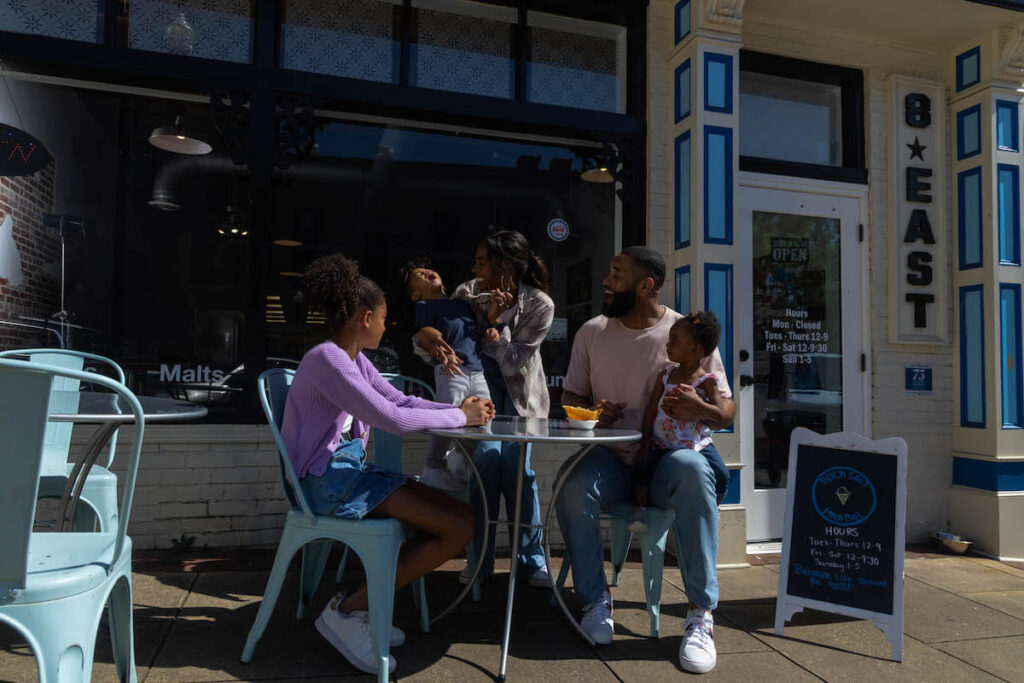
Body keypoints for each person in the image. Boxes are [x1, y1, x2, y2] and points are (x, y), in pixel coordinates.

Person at [280, 252, 494, 676]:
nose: (385, 324)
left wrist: (457, 407)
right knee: (457, 527)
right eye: (381, 318)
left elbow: (400, 401)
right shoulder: (327, 360)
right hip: (323, 484)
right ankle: (347, 610)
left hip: (346, 475)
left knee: (464, 518)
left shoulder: (353, 359)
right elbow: (393, 421)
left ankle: (363, 604)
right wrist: (460, 416)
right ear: (363, 317)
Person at [558, 246, 735, 675]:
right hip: (612, 458)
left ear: (646, 285)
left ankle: (699, 613)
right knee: (571, 485)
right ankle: (595, 600)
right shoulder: (592, 332)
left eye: (617, 274)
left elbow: (727, 411)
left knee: (694, 468)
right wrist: (596, 411)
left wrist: (700, 410)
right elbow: (570, 396)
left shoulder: (686, 334)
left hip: (668, 461)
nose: (606, 280)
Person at [416, 229, 553, 588]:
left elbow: (513, 365)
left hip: (521, 399)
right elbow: (435, 334)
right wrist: (429, 339)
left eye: (481, 261)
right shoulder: (466, 293)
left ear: (504, 266)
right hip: (479, 395)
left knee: (517, 469)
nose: (474, 267)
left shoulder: (540, 305)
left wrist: (497, 324)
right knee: (487, 464)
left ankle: (529, 560)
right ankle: (480, 559)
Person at [398, 257, 498, 490]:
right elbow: (425, 331)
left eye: (427, 269)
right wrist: (438, 344)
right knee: (447, 417)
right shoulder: (425, 307)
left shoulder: (463, 305)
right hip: (450, 370)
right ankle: (434, 464)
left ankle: (461, 458)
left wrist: (490, 331)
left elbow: (475, 331)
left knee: (486, 417)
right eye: (419, 276)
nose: (426, 272)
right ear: (416, 296)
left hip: (477, 369)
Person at [630, 311, 730, 534]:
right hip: (663, 442)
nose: (668, 345)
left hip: (697, 444)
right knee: (643, 468)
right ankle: (640, 511)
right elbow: (652, 408)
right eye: (669, 339)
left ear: (696, 350)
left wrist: (700, 407)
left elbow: (720, 414)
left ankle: (711, 508)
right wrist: (646, 436)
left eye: (675, 341)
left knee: (722, 475)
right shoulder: (665, 375)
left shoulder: (708, 381)